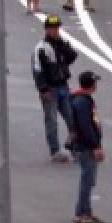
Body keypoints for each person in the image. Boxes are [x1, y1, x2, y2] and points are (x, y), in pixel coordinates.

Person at [32, 15, 78, 163]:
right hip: (50, 89)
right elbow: (37, 70)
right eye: (52, 28)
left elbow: (72, 57)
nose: (55, 30)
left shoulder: (61, 43)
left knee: (73, 117)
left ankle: (74, 146)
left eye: (57, 28)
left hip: (63, 86)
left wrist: (62, 44)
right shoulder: (41, 48)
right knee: (51, 120)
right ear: (46, 29)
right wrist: (43, 90)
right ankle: (54, 151)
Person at [70, 70, 105, 223]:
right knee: (87, 179)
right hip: (86, 147)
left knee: (89, 180)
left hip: (86, 145)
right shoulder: (82, 102)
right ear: (91, 84)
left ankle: (86, 210)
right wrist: (96, 146)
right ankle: (82, 212)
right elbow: (86, 127)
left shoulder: (82, 99)